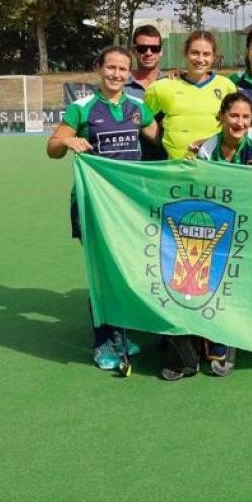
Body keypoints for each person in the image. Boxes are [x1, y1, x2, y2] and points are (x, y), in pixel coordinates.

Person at [46, 45, 160, 370]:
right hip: (92, 205)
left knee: (125, 273)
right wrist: (66, 141)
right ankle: (101, 342)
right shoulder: (81, 108)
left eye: (123, 69)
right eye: (111, 67)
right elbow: (52, 147)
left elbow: (161, 140)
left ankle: (121, 334)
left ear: (129, 73)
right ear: (100, 68)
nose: (116, 74)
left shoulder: (138, 108)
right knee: (101, 276)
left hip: (129, 208)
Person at [173, 92, 252, 380]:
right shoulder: (207, 148)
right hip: (218, 222)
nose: (239, 122)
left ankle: (233, 338)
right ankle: (210, 339)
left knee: (242, 281)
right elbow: (205, 191)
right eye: (233, 115)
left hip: (251, 220)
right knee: (214, 281)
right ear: (221, 116)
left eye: (245, 117)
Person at [144, 31, 237, 161]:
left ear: (213, 57)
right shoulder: (161, 88)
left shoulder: (226, 86)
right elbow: (143, 119)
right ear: (185, 54)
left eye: (206, 54)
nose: (200, 59)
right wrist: (163, 142)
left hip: (215, 170)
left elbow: (236, 125)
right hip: (175, 171)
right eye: (195, 53)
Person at [123, 24, 168, 161]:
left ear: (161, 51)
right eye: (142, 48)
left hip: (167, 163)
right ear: (134, 51)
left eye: (155, 48)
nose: (149, 53)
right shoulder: (120, 85)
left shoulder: (174, 83)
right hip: (132, 164)